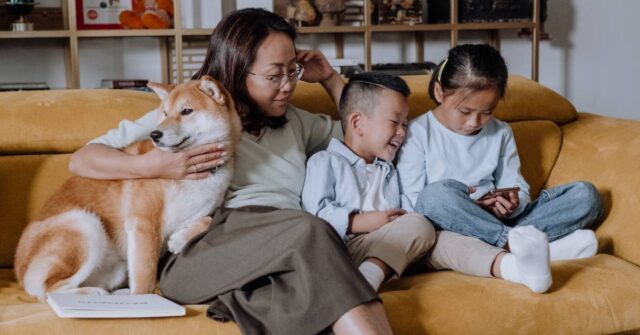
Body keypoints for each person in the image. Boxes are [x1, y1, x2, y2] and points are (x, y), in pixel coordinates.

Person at [69, 8, 393, 335]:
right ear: (237, 70)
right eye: (273, 74)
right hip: (206, 246)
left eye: (292, 70)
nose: (287, 85)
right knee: (313, 231)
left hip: (282, 249)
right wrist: (150, 164)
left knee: (304, 280)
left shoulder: (295, 122)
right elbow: (82, 159)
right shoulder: (188, 115)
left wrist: (329, 78)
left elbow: (366, 134)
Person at [302, 72, 558, 294]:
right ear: (357, 123)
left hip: (402, 246)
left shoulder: (388, 167)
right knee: (418, 224)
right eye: (395, 122)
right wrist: (365, 221)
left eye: (405, 123)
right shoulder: (325, 162)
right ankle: (367, 279)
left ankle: (517, 269)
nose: (402, 132)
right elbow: (314, 217)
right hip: (349, 250)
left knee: (446, 240)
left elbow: (411, 206)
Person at [397, 44, 604, 270]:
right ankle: (519, 245)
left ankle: (513, 244)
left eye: (487, 112)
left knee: (586, 195)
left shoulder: (500, 132)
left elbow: (517, 187)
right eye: (465, 111)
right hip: (451, 228)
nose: (475, 122)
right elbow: (415, 203)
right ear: (439, 92)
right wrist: (471, 208)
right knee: (435, 196)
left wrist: (514, 203)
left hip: (498, 222)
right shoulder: (419, 132)